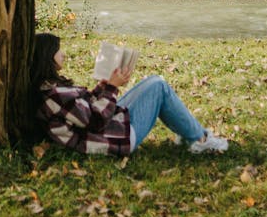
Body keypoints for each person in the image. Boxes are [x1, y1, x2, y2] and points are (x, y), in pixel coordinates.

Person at [30, 33, 228, 157]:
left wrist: (103, 86)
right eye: (57, 51)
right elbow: (96, 119)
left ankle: (191, 134)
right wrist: (112, 89)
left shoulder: (52, 89)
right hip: (115, 137)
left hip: (111, 127)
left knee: (154, 81)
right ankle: (200, 140)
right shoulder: (54, 95)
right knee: (158, 86)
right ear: (47, 57)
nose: (63, 54)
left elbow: (85, 107)